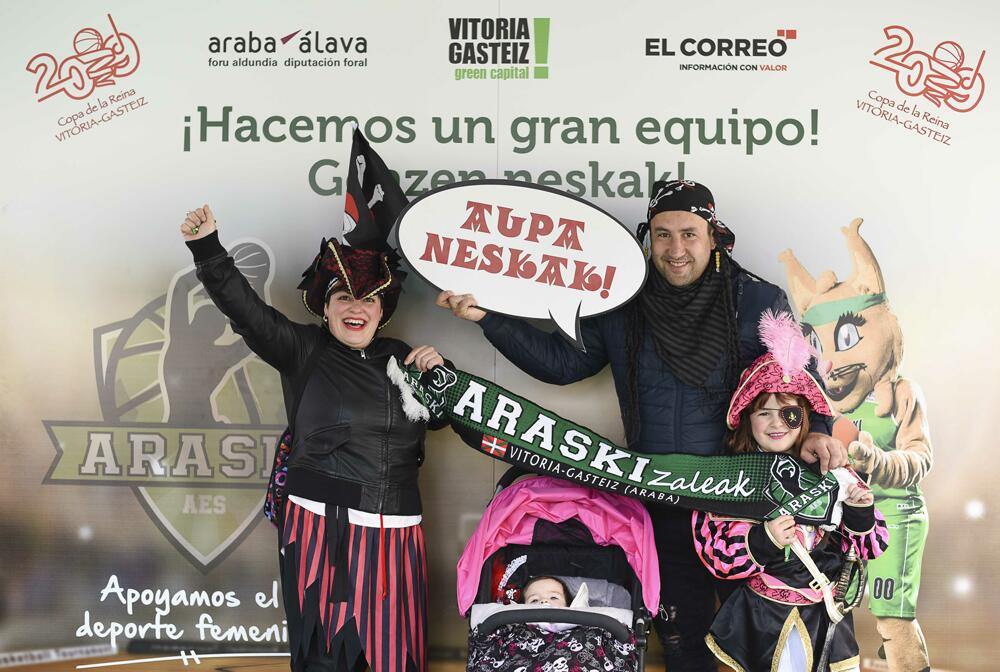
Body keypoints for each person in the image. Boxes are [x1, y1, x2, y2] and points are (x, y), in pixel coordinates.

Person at [437, 180, 848, 671]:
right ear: (647, 237)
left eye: (690, 234)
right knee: (683, 641)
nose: (676, 249)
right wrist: (488, 317)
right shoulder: (621, 301)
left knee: (762, 636)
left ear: (713, 236)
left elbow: (799, 374)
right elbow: (562, 363)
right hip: (662, 503)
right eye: (663, 235)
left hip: (744, 505)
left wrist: (820, 428)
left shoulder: (756, 299)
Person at [180, 205, 447, 672]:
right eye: (344, 296)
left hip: (399, 535)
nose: (356, 308)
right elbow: (248, 313)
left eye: (368, 300)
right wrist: (209, 249)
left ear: (382, 312)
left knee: (395, 659)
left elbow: (445, 419)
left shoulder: (403, 358)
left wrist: (441, 378)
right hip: (325, 532)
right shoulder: (304, 349)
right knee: (325, 656)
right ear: (325, 307)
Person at [693, 310, 888, 672]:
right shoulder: (729, 478)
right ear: (748, 418)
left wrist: (860, 512)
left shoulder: (831, 471)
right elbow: (713, 550)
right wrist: (762, 540)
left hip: (824, 615)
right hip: (762, 617)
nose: (776, 423)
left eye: (789, 414)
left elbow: (871, 545)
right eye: (764, 413)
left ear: (805, 417)